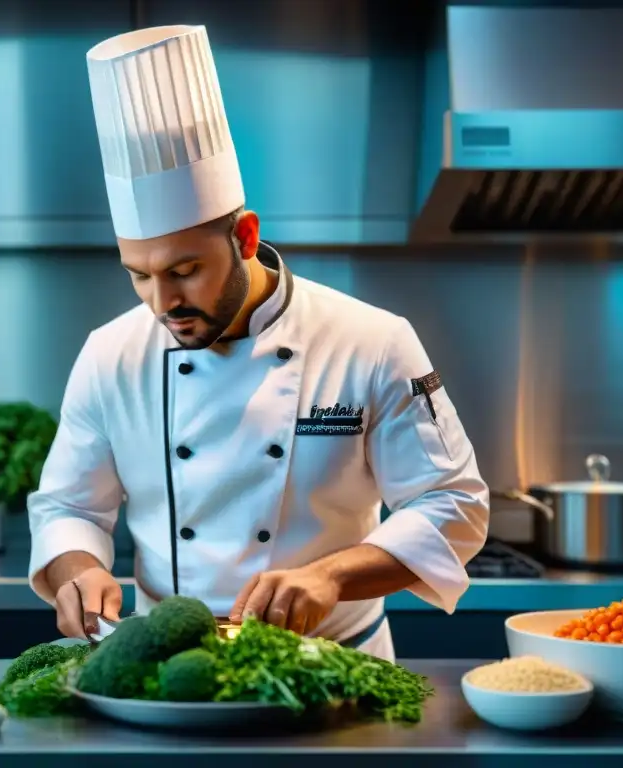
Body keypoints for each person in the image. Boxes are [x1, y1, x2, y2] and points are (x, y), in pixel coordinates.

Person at [27, 24, 490, 662]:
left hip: (338, 665)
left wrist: (329, 577)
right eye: (139, 275)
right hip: (168, 671)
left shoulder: (373, 341)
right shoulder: (109, 355)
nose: (162, 304)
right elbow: (67, 506)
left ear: (244, 237)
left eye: (184, 270)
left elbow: (454, 505)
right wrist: (76, 569)